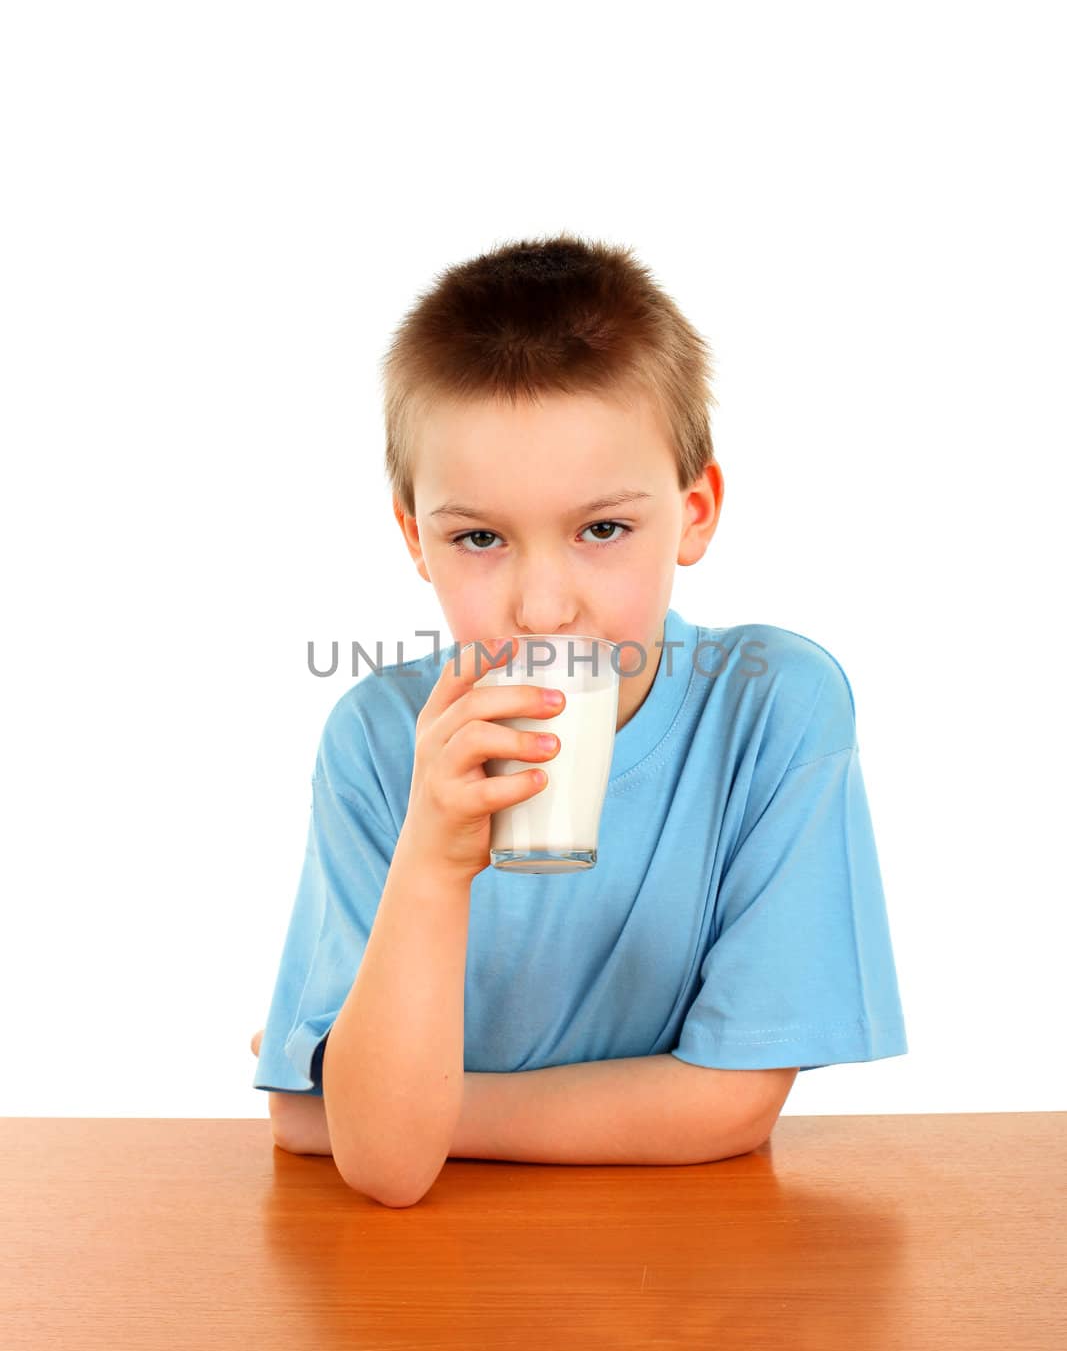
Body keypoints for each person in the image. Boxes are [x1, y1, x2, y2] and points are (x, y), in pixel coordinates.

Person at [250, 232, 908, 1205]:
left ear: (693, 512)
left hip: (688, 1273)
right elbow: (385, 1170)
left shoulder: (772, 703)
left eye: (601, 529)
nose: (545, 606)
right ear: (413, 539)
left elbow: (727, 1108)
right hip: (430, 1293)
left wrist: (380, 1104)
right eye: (478, 537)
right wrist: (432, 858)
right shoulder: (378, 742)